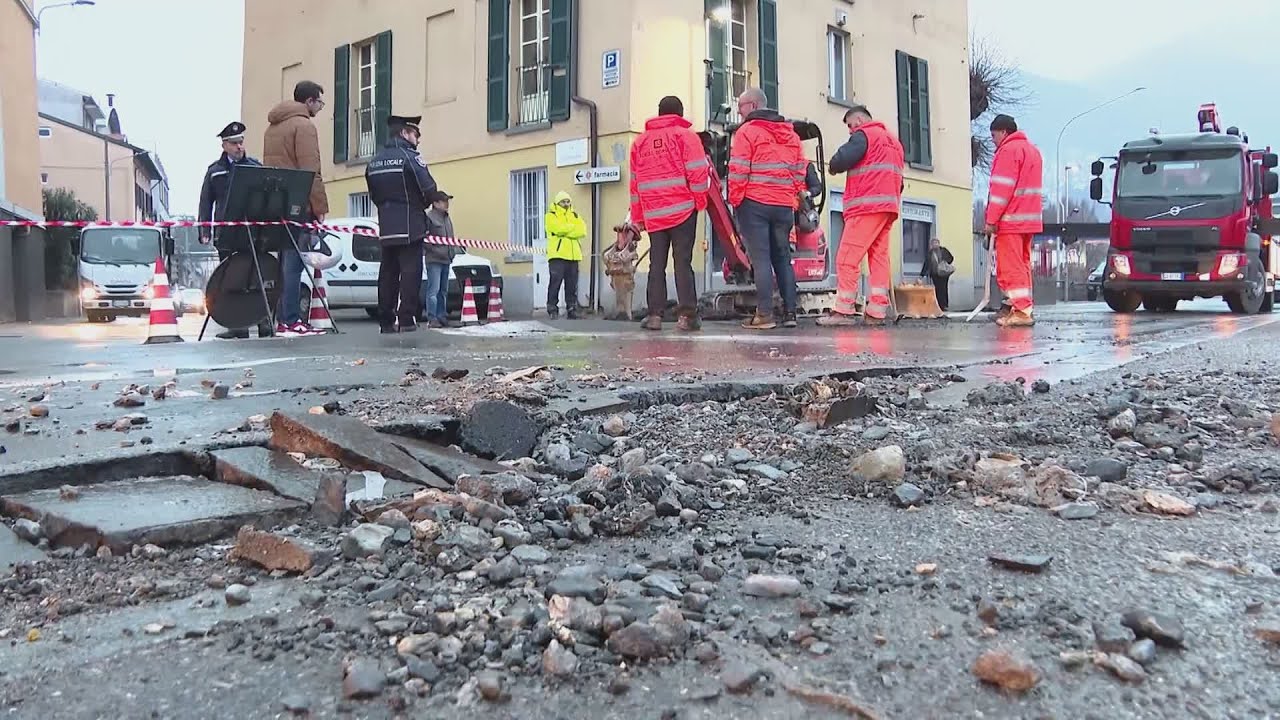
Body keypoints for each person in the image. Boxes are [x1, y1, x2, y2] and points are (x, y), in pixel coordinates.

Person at [817, 105, 905, 327]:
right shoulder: (894, 143)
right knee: (878, 258)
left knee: (847, 258)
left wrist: (833, 167)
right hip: (888, 207)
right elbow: (899, 179)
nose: (849, 131)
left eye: (849, 125)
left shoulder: (864, 135)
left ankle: (843, 310)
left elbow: (841, 159)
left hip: (866, 206)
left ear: (858, 120)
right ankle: (877, 310)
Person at [629, 95, 710, 331]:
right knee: (682, 262)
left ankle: (654, 316)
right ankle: (687, 316)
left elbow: (635, 185)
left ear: (659, 112)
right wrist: (699, 202)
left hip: (654, 214)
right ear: (680, 114)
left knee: (657, 263)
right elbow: (697, 172)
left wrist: (639, 218)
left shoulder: (640, 143)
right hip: (683, 211)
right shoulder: (686, 137)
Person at [727, 87, 805, 330]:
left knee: (760, 259)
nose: (739, 115)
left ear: (752, 106)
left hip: (755, 203)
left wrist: (735, 200)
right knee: (783, 258)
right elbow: (799, 172)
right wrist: (791, 197)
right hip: (782, 205)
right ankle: (790, 313)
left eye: (740, 109)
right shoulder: (790, 134)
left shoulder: (746, 132)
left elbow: (738, 169)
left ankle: (764, 315)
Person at [263, 79, 329, 336]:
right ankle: (291, 320)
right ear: (309, 101)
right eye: (319, 102)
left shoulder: (272, 127)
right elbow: (311, 170)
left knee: (283, 264)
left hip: (276, 203)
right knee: (294, 264)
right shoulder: (304, 126)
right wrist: (319, 205)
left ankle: (281, 318)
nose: (320, 108)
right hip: (299, 204)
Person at [197, 121, 270, 339]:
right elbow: (205, 202)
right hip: (227, 234)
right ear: (224, 146)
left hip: (253, 232)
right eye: (234, 143)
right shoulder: (215, 172)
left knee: (258, 276)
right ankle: (237, 326)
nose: (239, 147)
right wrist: (205, 229)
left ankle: (264, 322)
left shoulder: (254, 167)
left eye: (241, 142)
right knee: (231, 279)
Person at [365, 114, 437, 333]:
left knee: (387, 274)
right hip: (410, 224)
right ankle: (406, 319)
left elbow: (374, 195)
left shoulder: (374, 161)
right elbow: (429, 189)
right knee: (410, 273)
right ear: (405, 133)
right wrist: (420, 205)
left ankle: (385, 320)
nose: (418, 139)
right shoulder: (410, 157)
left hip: (386, 226)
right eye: (416, 134)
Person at [984, 114, 1044, 327]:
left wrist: (991, 220)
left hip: (1011, 220)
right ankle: (1020, 306)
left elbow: (1001, 190)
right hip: (1029, 220)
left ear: (1003, 132)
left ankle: (1021, 310)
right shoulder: (1033, 151)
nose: (992, 140)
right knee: (1023, 264)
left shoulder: (1008, 151)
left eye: (993, 135)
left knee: (1011, 267)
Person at [545, 191, 587, 319]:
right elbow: (557, 229)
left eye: (568, 201)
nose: (566, 204)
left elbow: (582, 230)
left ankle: (571, 309)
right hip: (557, 255)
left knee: (572, 284)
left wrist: (567, 230)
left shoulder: (574, 215)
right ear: (558, 202)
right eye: (563, 201)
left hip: (573, 255)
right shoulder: (550, 215)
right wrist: (572, 229)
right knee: (555, 283)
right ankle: (552, 309)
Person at [422, 190, 457, 328]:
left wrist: (451, 252)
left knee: (443, 290)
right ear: (435, 203)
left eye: (447, 201)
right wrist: (436, 250)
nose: (447, 204)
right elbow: (424, 239)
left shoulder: (446, 218)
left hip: (446, 259)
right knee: (433, 290)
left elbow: (450, 238)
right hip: (434, 259)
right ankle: (432, 318)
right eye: (444, 201)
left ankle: (442, 316)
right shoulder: (429, 217)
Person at [604, 223, 640, 321]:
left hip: (626, 279)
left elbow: (625, 258)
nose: (620, 237)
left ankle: (628, 314)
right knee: (619, 297)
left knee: (626, 296)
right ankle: (621, 312)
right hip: (616, 279)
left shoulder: (629, 250)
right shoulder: (613, 250)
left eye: (622, 235)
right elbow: (607, 257)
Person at [921, 237, 955, 311]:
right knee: (937, 289)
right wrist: (922, 274)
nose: (935, 245)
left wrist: (945, 263)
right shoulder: (930, 253)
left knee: (944, 288)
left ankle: (945, 305)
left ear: (939, 244)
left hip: (944, 273)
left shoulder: (943, 250)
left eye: (936, 243)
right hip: (935, 274)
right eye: (933, 243)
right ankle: (939, 305)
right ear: (931, 245)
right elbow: (926, 264)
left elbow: (951, 258)